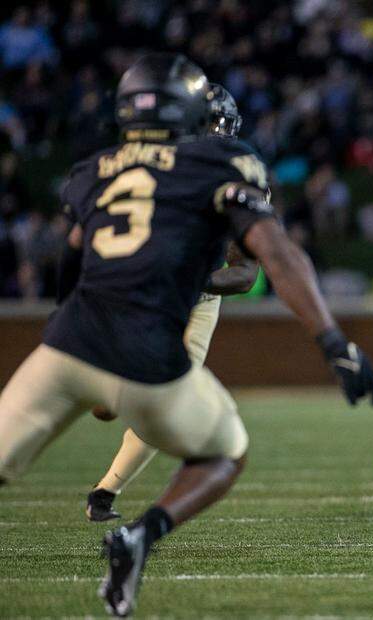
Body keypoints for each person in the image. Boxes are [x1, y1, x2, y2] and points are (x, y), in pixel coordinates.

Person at [0, 54, 373, 615]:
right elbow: (274, 253)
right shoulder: (224, 162)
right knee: (225, 451)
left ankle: (107, 491)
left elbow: (73, 254)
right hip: (147, 352)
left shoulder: (96, 168)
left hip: (67, 345)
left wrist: (65, 322)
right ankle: (139, 535)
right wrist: (332, 343)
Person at [83, 83, 260, 523]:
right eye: (211, 125)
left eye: (223, 127)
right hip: (143, 291)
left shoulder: (240, 176)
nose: (219, 137)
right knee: (104, 405)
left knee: (167, 398)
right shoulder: (149, 169)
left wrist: (192, 278)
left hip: (197, 299)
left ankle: (105, 492)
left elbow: (244, 275)